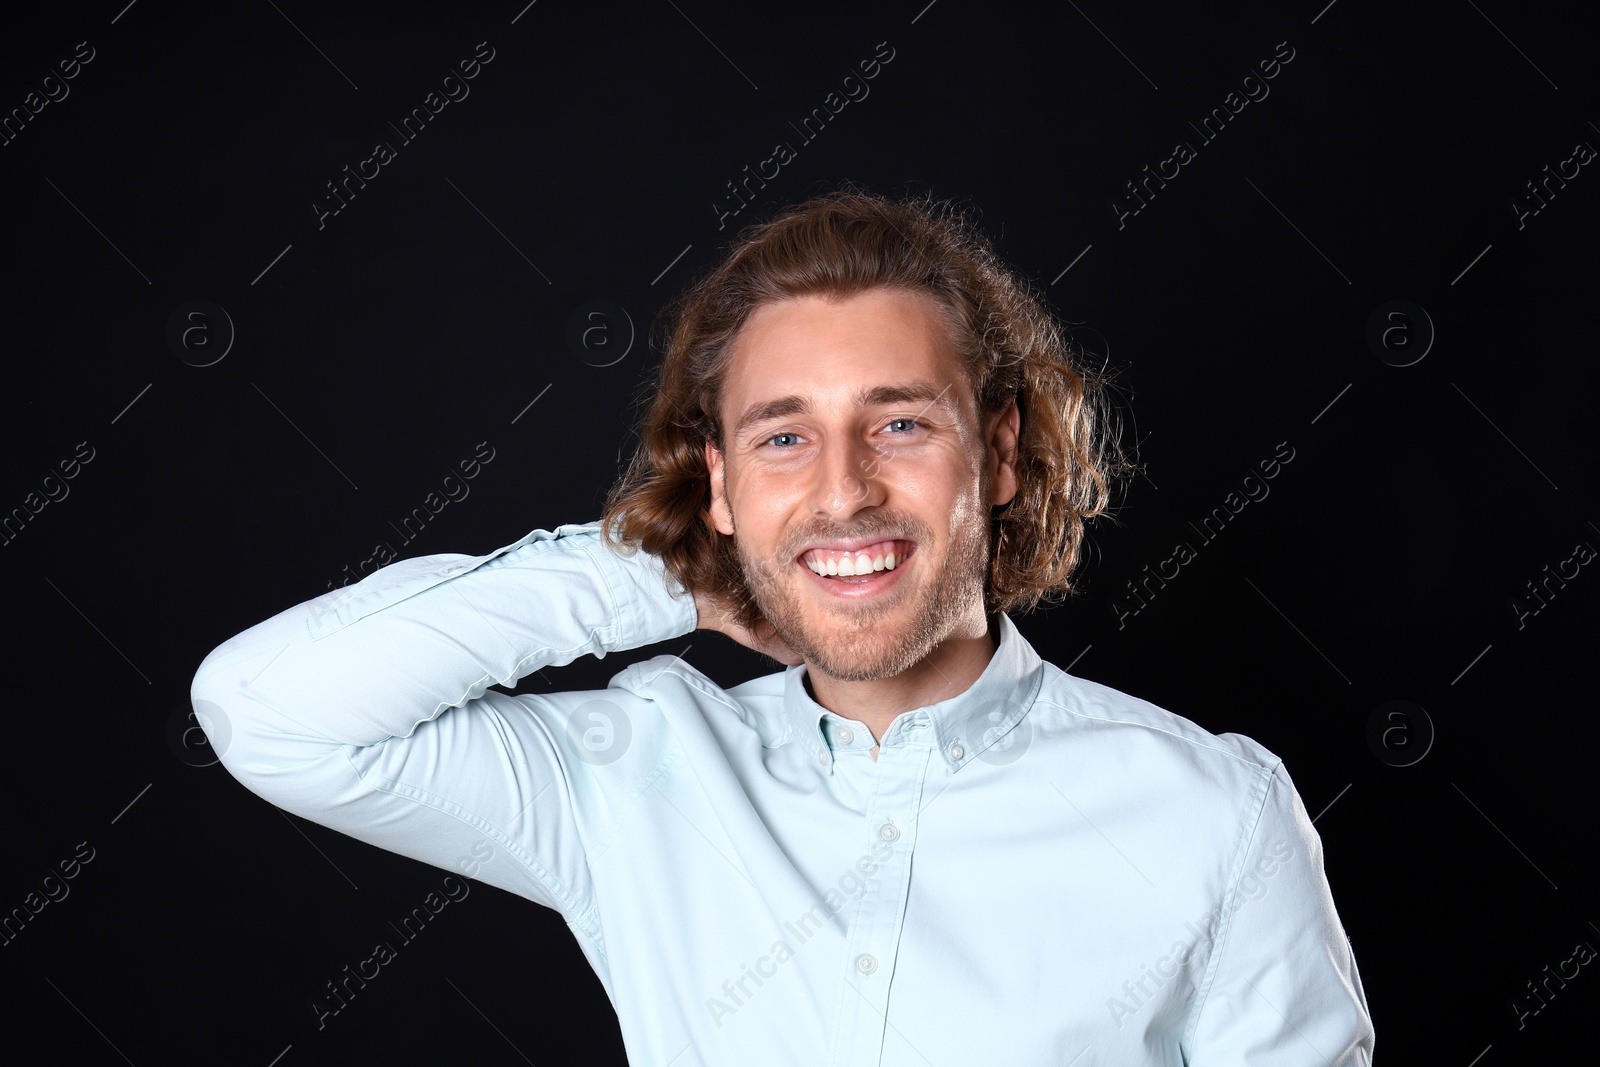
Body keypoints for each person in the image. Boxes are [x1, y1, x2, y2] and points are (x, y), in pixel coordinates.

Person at [191, 189, 1374, 1064]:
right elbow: (273, 713)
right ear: (718, 480)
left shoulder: (1215, 811)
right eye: (781, 436)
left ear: (1000, 450)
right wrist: (660, 575)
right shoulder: (635, 773)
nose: (844, 488)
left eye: (900, 423)